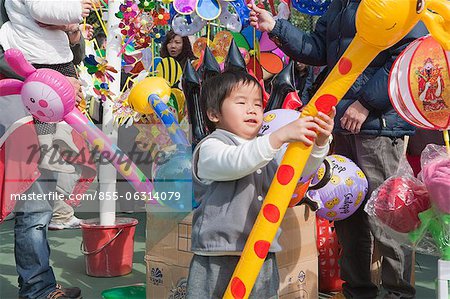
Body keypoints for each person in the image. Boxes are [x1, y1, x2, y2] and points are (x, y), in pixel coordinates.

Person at [248, 2, 428, 298]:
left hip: (377, 125)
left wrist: (367, 104)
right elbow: (319, 48)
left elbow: (408, 55)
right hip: (338, 119)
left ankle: (399, 292)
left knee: (386, 215)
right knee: (348, 211)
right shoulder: (338, 5)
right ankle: (358, 290)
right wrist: (276, 27)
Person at [186, 71, 334, 298]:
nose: (252, 109)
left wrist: (320, 142)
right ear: (214, 114)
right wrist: (279, 137)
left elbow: (300, 171)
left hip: (261, 251)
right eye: (241, 102)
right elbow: (236, 162)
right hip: (217, 254)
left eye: (258, 103)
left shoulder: (266, 149)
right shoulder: (211, 147)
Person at [0, 0, 97, 297]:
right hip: (19, 117)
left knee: (38, 208)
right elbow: (12, 61)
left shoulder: (50, 31)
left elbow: (73, 56)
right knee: (34, 210)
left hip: (46, 119)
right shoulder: (14, 23)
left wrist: (73, 34)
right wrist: (50, 83)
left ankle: (39, 285)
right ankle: (37, 287)